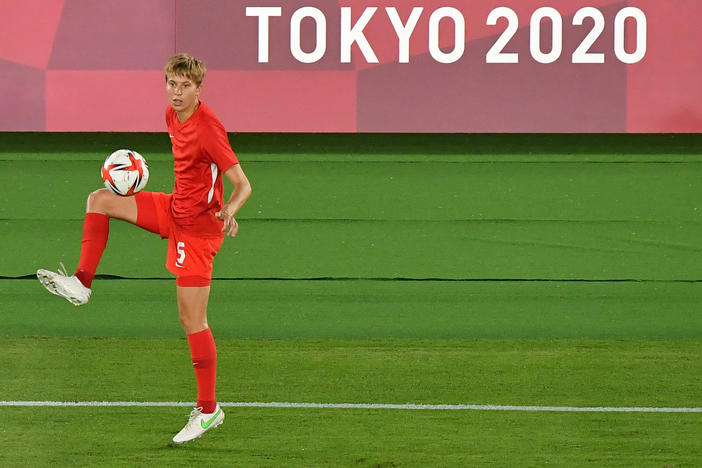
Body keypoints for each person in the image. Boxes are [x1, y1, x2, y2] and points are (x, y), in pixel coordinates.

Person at [36, 53, 252, 444]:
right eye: (172, 84)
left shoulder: (209, 129)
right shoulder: (171, 116)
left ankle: (208, 411)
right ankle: (82, 283)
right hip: (174, 209)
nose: (177, 92)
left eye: (185, 86)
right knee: (99, 200)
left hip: (200, 231)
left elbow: (243, 184)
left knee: (192, 321)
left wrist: (230, 211)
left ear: (199, 89)